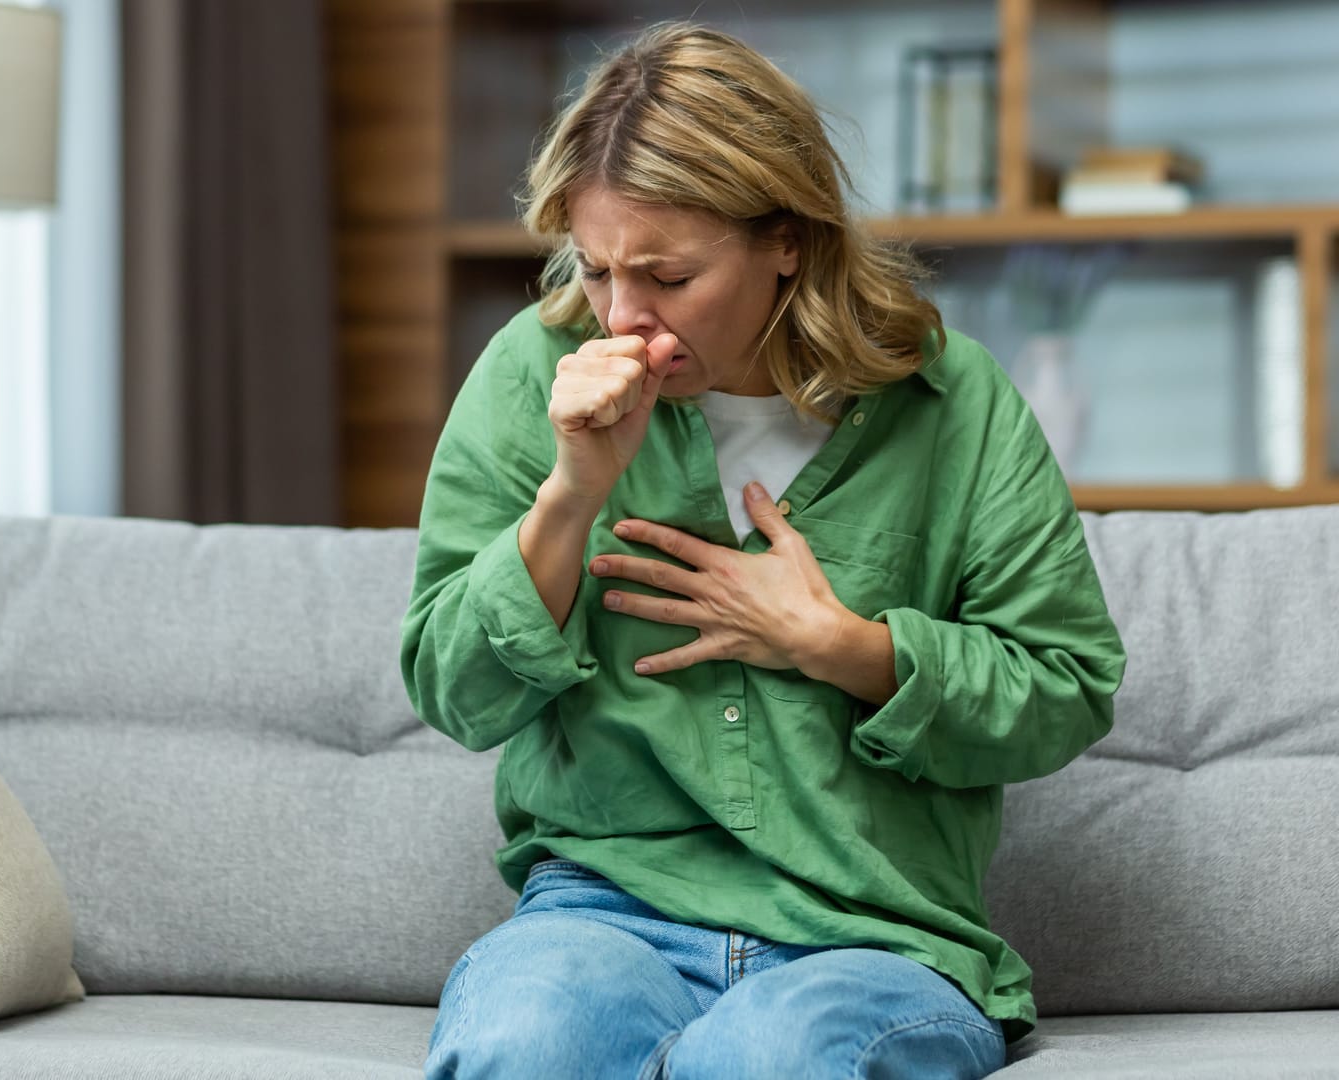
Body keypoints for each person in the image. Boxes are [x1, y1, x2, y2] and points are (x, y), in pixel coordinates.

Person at [399, 22, 1126, 1080]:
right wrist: (572, 494)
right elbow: (452, 691)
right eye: (597, 270)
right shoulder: (531, 373)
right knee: (524, 1043)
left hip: (871, 931)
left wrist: (844, 647)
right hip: (606, 911)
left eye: (669, 276)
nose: (625, 318)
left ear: (787, 237)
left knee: (770, 1058)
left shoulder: (952, 402)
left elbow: (1067, 685)